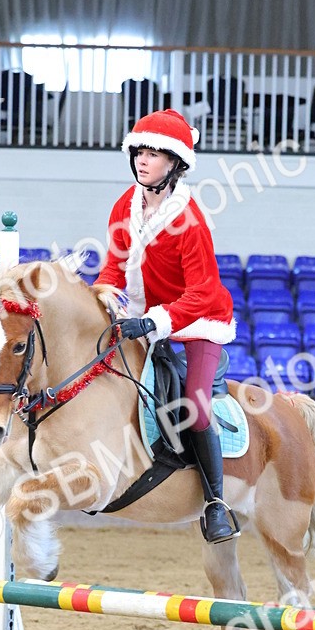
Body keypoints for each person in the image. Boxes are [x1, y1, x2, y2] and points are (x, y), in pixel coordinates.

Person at [94, 107, 239, 542]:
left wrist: (153, 322)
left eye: (156, 153)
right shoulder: (125, 205)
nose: (144, 159)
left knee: (194, 403)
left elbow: (200, 293)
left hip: (198, 319)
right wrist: (103, 293)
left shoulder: (190, 220)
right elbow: (114, 269)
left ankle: (216, 503)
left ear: (175, 164)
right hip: (145, 317)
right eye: (140, 150)